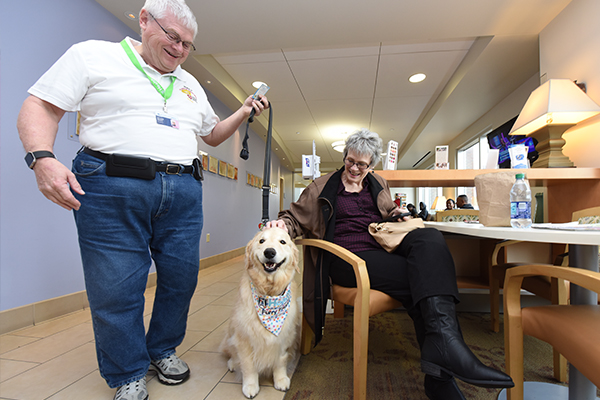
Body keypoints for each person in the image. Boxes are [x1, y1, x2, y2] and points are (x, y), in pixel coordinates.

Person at [16, 1, 268, 399]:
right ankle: (127, 371)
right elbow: (41, 105)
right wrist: (42, 158)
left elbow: (213, 135)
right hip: (111, 185)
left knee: (182, 280)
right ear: (144, 20)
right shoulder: (93, 55)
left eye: (188, 44)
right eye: (173, 37)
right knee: (116, 286)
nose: (181, 49)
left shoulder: (190, 83)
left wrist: (243, 111)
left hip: (183, 190)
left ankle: (161, 348)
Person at [266, 129, 513, 400]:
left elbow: (385, 213)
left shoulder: (378, 183)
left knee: (428, 237)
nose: (355, 168)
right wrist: (282, 226)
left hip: (380, 249)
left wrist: (397, 215)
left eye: (363, 164)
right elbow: (293, 217)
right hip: (345, 258)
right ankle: (444, 367)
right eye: (351, 161)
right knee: (423, 279)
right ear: (345, 156)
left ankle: (442, 363)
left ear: (372, 165)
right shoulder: (321, 187)